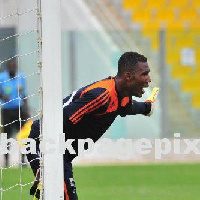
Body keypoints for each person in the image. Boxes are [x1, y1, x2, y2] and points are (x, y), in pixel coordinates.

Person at [27, 52, 159, 200]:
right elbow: (45, 125)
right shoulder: (101, 96)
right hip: (50, 151)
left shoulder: (122, 96)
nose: (149, 79)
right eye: (144, 74)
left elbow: (128, 107)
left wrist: (147, 107)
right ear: (128, 76)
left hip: (62, 156)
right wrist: (39, 163)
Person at [0, 60, 30, 166]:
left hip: (19, 109)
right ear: (8, 67)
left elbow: (24, 93)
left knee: (22, 135)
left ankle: (23, 160)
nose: (13, 68)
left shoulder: (20, 77)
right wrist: (2, 96)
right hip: (7, 110)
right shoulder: (2, 77)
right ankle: (6, 161)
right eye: (11, 66)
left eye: (14, 66)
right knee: (6, 136)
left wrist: (26, 109)